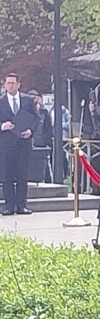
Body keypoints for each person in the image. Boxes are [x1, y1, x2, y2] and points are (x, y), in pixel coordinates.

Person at [0, 74, 41, 215]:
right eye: (8, 83)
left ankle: (21, 204)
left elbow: (36, 119)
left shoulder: (27, 100)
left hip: (23, 143)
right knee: (7, 175)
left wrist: (30, 131)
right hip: (6, 144)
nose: (10, 85)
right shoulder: (1, 101)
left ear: (18, 84)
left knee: (22, 175)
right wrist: (2, 126)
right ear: (5, 85)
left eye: (13, 83)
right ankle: (9, 205)